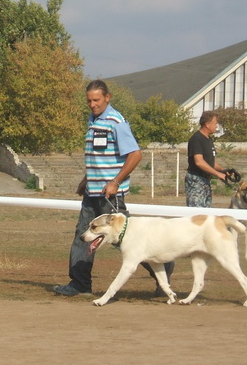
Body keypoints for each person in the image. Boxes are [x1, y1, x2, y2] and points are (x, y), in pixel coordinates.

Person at [54, 79, 173, 297]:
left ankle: (164, 268)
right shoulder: (93, 120)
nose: (92, 104)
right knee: (84, 234)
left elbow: (135, 154)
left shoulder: (116, 122)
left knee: (128, 240)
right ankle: (80, 284)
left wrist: (115, 182)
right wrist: (86, 180)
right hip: (92, 192)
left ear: (107, 98)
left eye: (96, 100)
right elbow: (98, 156)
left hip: (111, 196)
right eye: (89, 101)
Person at [185, 110, 227, 207]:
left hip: (206, 181)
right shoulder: (197, 139)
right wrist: (217, 174)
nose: (216, 126)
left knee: (206, 212)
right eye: (215, 123)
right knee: (197, 212)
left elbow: (209, 162)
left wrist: (223, 171)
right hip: (196, 181)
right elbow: (199, 162)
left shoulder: (208, 139)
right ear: (207, 124)